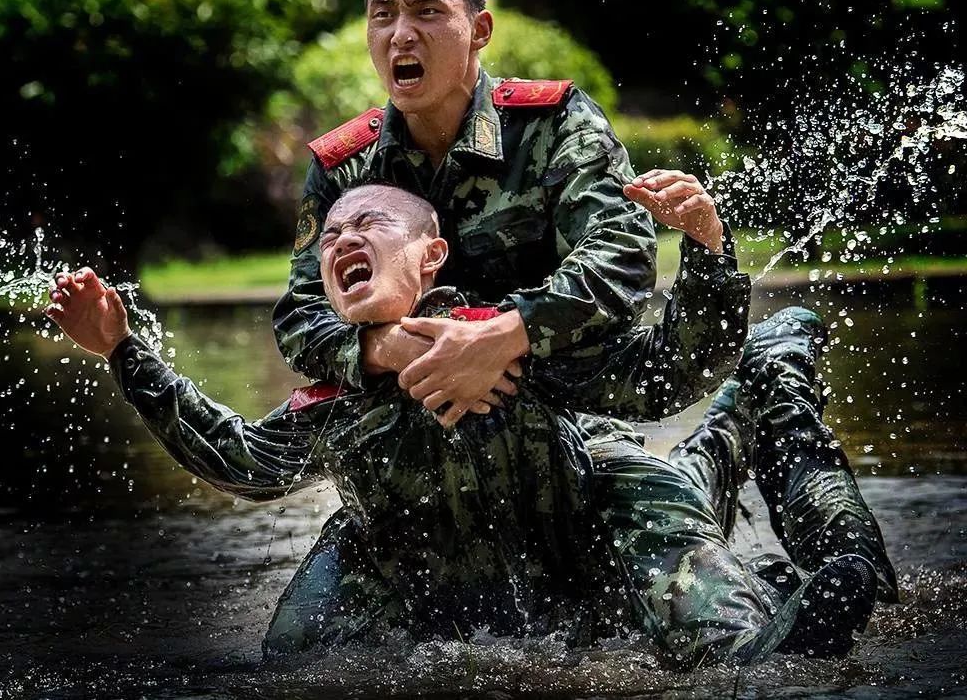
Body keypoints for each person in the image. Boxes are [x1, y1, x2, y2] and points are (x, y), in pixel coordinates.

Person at [269, 0, 896, 665]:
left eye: (427, 11)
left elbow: (623, 253)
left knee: (726, 642)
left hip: (578, 430)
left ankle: (813, 524)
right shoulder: (344, 167)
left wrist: (504, 335)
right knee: (297, 660)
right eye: (383, 15)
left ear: (479, 29)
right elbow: (300, 316)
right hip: (417, 469)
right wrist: (387, 346)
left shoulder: (556, 121)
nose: (401, 34)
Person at [49, 184, 888, 667]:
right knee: (295, 664)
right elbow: (239, 463)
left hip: (600, 517)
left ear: (432, 257)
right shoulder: (333, 400)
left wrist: (706, 251)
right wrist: (125, 350)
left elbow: (666, 374)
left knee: (707, 466)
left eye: (368, 225)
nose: (344, 239)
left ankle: (772, 373)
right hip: (448, 583)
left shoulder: (507, 339)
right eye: (332, 233)